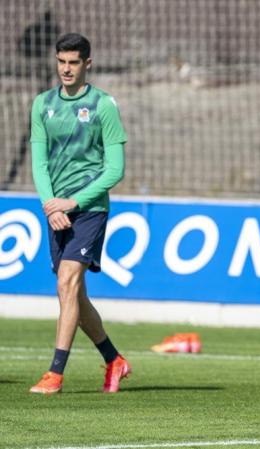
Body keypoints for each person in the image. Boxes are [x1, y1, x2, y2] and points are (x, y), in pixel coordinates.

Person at [29, 33, 130, 394]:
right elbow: (39, 163)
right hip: (55, 209)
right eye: (61, 62)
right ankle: (114, 359)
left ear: (88, 64)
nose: (66, 69)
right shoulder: (42, 104)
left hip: (89, 209)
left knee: (67, 282)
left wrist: (72, 203)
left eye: (73, 62)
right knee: (73, 295)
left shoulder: (104, 105)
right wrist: (50, 204)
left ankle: (55, 373)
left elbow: (115, 169)